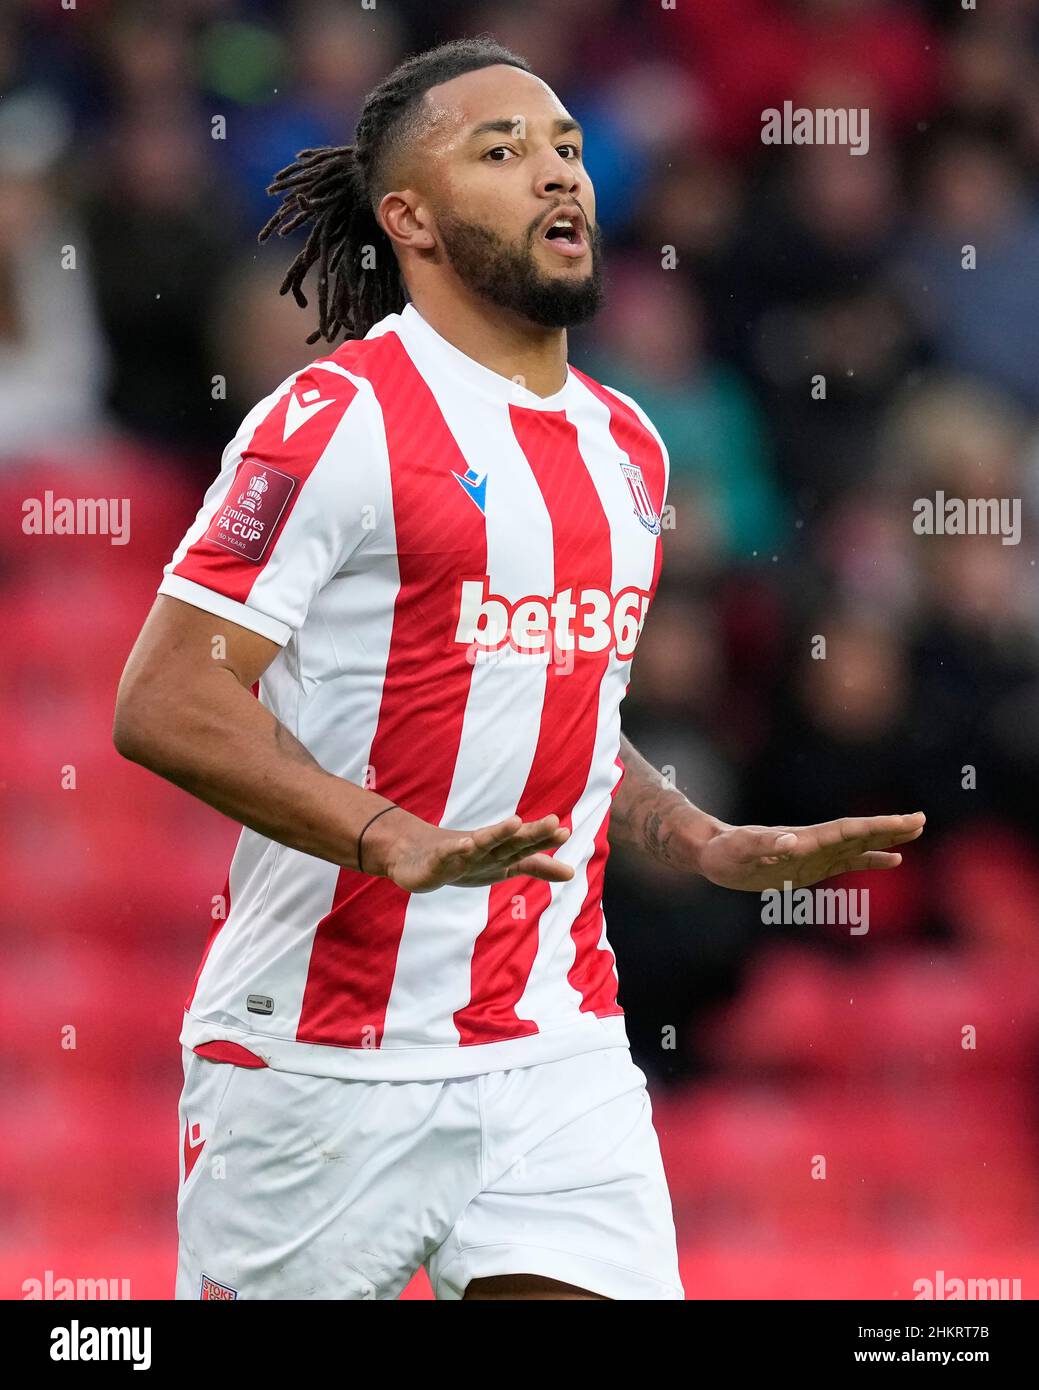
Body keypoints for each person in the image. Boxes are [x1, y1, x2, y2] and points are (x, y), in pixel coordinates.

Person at [113, 38, 925, 1302]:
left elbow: (564, 705)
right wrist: (388, 836)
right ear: (412, 219)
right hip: (324, 1064)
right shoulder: (335, 421)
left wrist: (697, 836)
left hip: (556, 1047)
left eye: (566, 149)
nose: (558, 177)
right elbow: (164, 698)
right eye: (501, 153)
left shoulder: (628, 445)